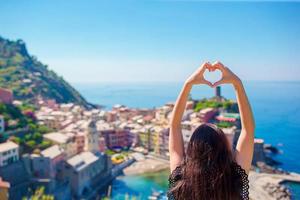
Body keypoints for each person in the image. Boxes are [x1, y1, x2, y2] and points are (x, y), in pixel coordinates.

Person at [168, 61, 255, 200]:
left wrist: (188, 84)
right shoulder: (234, 180)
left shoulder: (181, 182)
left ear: (192, 149)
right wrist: (237, 84)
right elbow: (248, 130)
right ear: (224, 146)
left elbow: (174, 126)